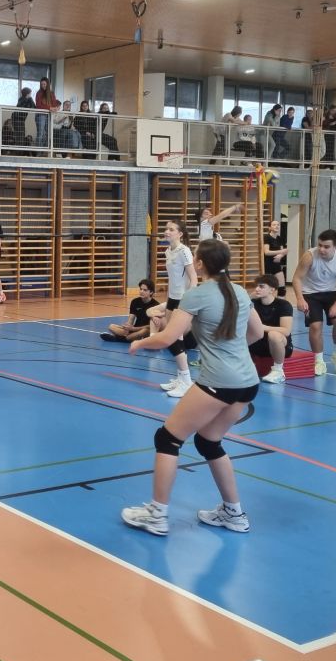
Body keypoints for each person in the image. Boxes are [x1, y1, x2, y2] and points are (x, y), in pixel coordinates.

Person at [122, 239, 264, 536]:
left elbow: (167, 337)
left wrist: (139, 343)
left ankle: (157, 515)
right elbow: (257, 333)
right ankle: (234, 513)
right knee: (209, 442)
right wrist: (232, 353)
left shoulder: (196, 294)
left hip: (219, 382)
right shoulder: (239, 291)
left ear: (199, 263)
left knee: (167, 439)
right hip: (248, 382)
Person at [291, 229, 336, 375]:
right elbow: (297, 278)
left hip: (332, 293)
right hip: (310, 294)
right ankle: (318, 361)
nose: (322, 249)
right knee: (315, 326)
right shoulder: (309, 256)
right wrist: (300, 298)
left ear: (335, 247)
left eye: (326, 246)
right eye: (320, 245)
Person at [156, 220, 199, 396]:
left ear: (180, 234)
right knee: (175, 338)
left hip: (183, 300)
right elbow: (172, 280)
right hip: (172, 299)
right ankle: (181, 378)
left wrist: (189, 300)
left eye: (171, 229)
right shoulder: (168, 251)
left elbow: (193, 278)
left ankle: (186, 381)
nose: (167, 231)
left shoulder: (184, 251)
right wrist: (168, 300)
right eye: (166, 229)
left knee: (173, 338)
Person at [247, 273, 293, 383]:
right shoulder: (253, 303)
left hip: (279, 344)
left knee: (274, 335)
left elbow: (286, 331)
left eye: (261, 286)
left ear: (272, 290)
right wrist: (248, 298)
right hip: (257, 343)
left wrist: (262, 327)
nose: (257, 289)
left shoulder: (283, 305)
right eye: (256, 286)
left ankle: (278, 371)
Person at [263, 219, 287, 287]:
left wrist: (280, 255)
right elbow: (266, 252)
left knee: (282, 288)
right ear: (270, 228)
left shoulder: (279, 238)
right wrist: (281, 252)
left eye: (278, 225)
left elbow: (283, 251)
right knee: (268, 287)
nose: (276, 226)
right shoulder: (267, 237)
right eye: (274, 225)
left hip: (277, 265)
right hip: (268, 265)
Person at [34, 78, 55, 148]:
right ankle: (38, 151)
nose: (43, 86)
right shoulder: (39, 93)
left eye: (44, 84)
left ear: (47, 84)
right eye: (42, 84)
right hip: (40, 115)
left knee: (47, 133)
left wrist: (57, 106)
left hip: (49, 115)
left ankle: (44, 150)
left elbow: (54, 103)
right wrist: (50, 108)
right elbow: (38, 105)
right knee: (40, 133)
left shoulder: (51, 93)